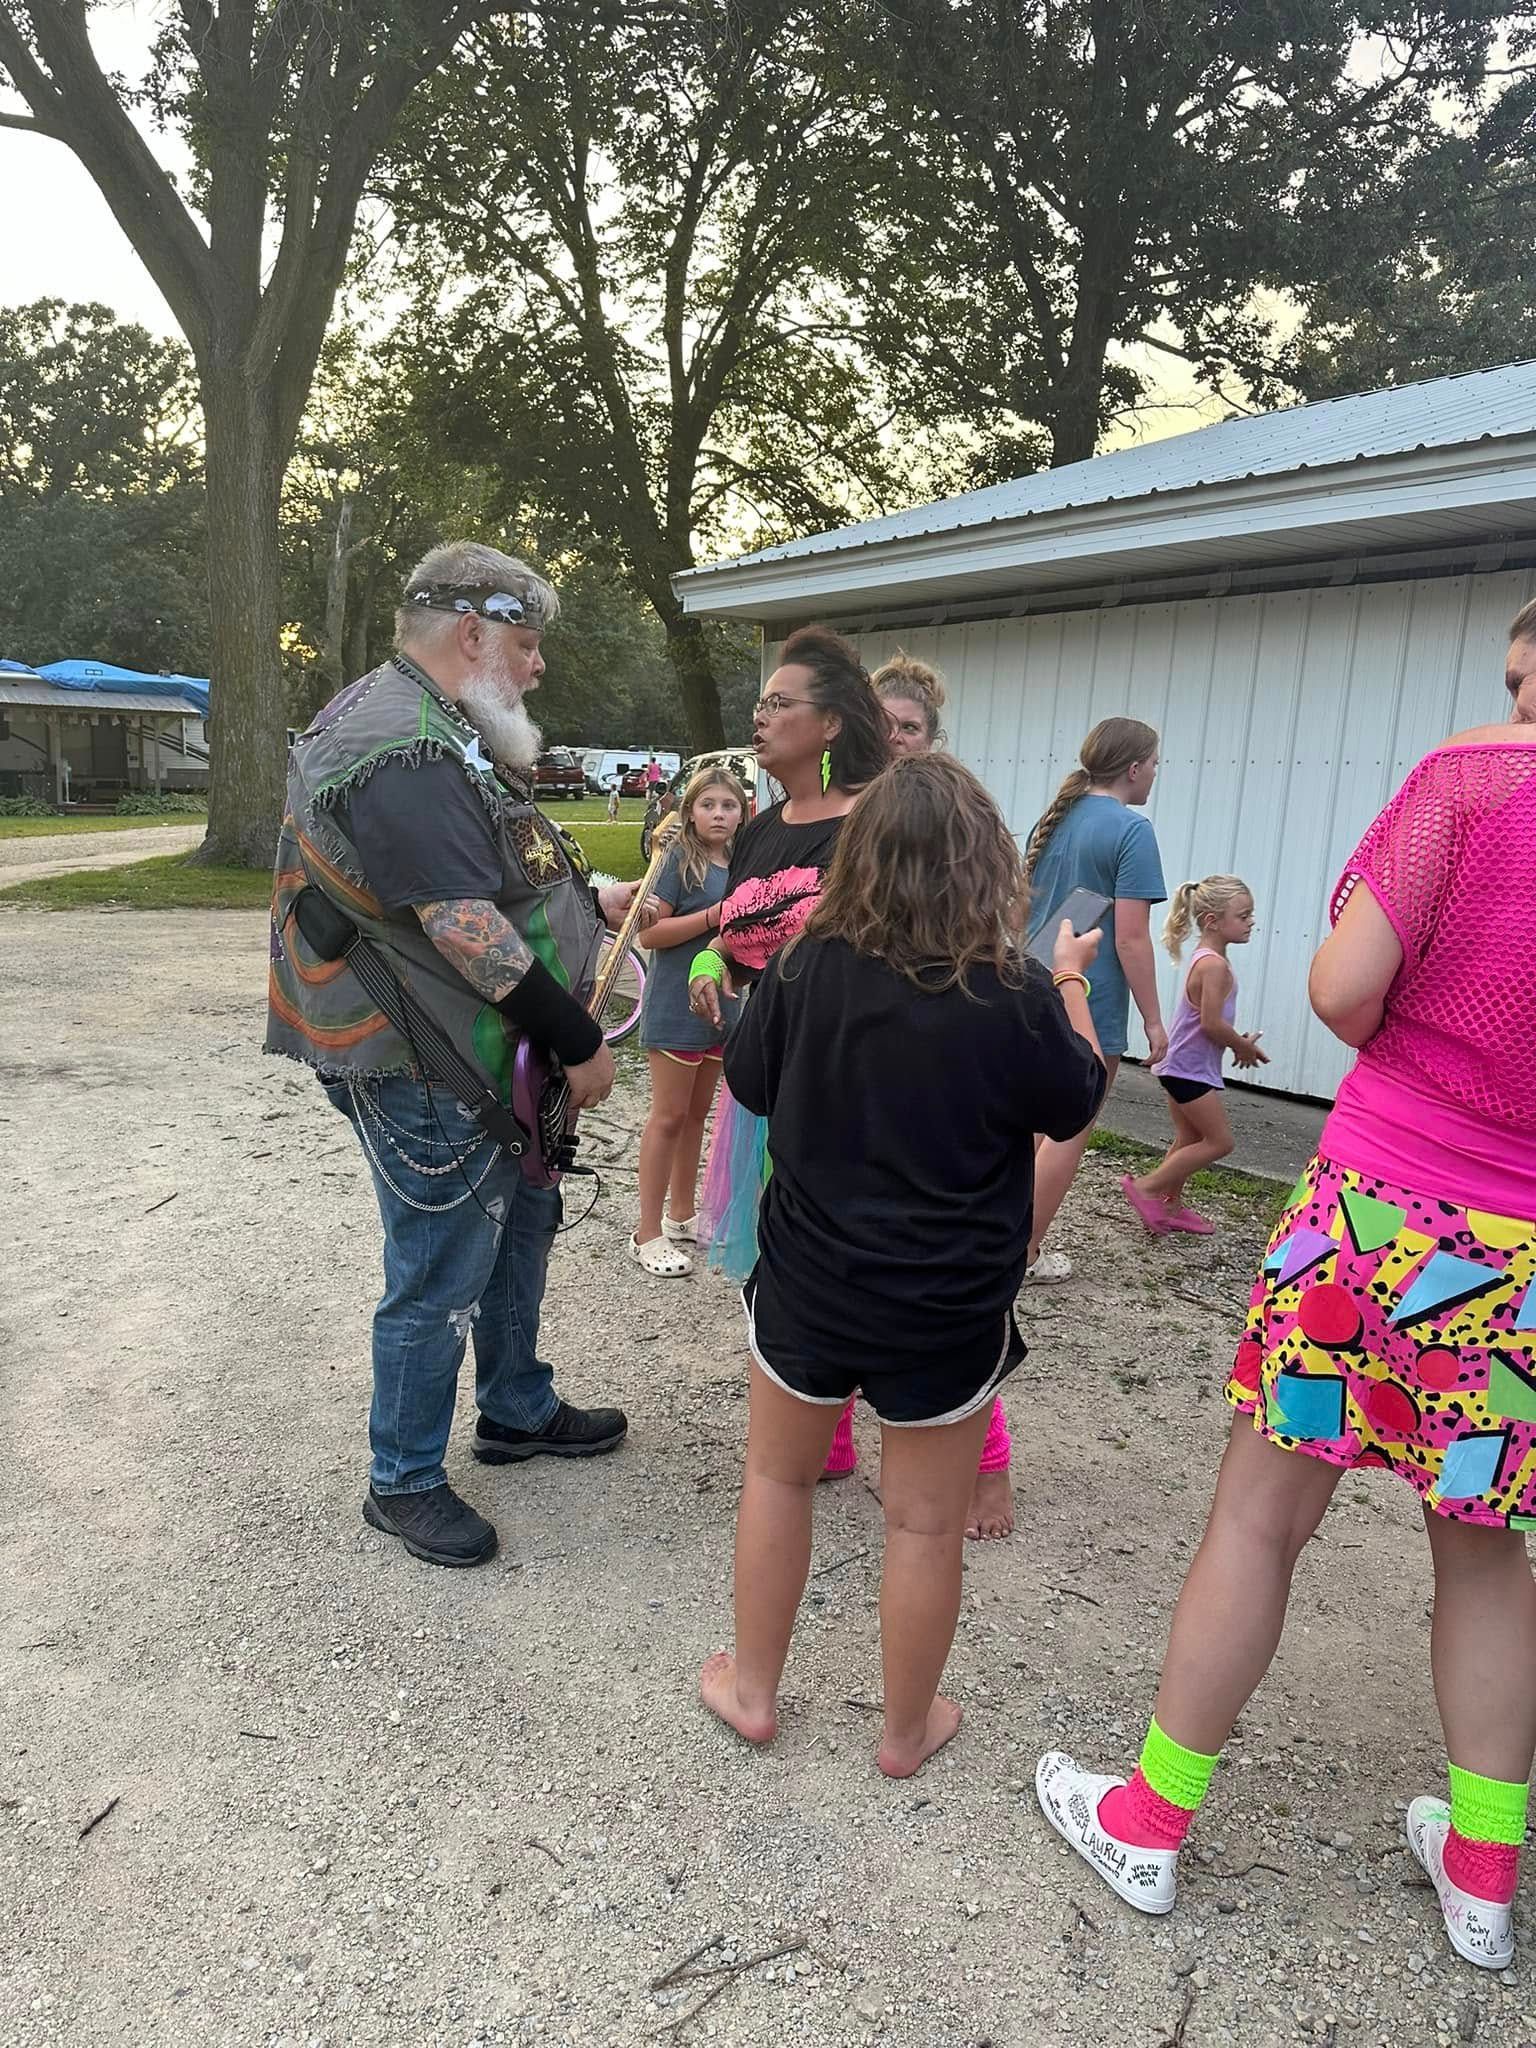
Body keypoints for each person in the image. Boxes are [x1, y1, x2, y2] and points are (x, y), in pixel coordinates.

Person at [1036, 630, 1536, 1972]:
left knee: (1260, 1518)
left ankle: (1149, 1817)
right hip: (1525, 1260)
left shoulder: (1469, 783)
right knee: (1484, 1549)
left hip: (1383, 1206)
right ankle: (1484, 1877)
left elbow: (1341, 989)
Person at [698, 755, 1106, 1776]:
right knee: (924, 1526)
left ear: (861, 856)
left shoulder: (805, 964)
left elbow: (747, 1083)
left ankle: (754, 1688)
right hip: (948, 1303)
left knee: (776, 1477)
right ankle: (903, 1728)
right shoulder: (1012, 990)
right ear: (986, 863)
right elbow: (1077, 1101)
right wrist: (1069, 979)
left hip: (809, 1280)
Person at [266, 542, 652, 1569]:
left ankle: (516, 1406)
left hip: (481, 1048)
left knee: (525, 1213)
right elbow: (457, 920)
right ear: (472, 633)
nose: (536, 668)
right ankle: (402, 1480)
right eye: (525, 645)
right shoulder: (404, 742)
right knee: (440, 1261)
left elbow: (490, 857)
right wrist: (577, 1044)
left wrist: (589, 899)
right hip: (424, 1051)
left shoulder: (438, 724)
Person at [818, 650, 1012, 1538]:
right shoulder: (829, 823)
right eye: (883, 725)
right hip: (842, 1087)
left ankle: (984, 1466)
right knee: (834, 1263)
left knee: (947, 1306)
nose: (895, 740)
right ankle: (825, 1431)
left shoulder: (947, 833)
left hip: (933, 1098)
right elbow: (751, 918)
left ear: (932, 743)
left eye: (911, 728)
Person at [688, 625, 891, 1278]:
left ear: (830, 722)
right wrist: (711, 959)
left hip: (851, 1079)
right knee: (779, 1268)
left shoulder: (877, 822)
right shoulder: (762, 831)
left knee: (841, 1268)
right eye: (761, 703)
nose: (760, 715)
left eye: (780, 703)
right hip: (771, 1068)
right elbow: (742, 933)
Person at [1020, 718, 1167, 1284]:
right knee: (1067, 1131)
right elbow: (1130, 936)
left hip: (1032, 983)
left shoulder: (1056, 818)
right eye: (1154, 763)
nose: (1155, 774)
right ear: (1133, 769)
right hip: (1087, 995)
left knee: (1026, 1124)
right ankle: (1024, 1254)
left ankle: (995, 1235)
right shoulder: (1133, 831)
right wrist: (1154, 1020)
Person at [630, 767, 745, 1276]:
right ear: (690, 812)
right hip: (677, 1008)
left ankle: (681, 1214)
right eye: (708, 805)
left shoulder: (740, 864)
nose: (719, 814)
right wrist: (713, 916)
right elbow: (650, 936)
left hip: (723, 1009)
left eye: (729, 805)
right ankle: (646, 1231)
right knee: (669, 1116)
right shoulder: (679, 861)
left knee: (699, 1113)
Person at [1122, 876, 1268, 1238]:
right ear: (1211, 921)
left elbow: (1208, 1022)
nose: (1251, 922)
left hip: (1181, 1066)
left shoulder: (1207, 959)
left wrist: (1235, 1040)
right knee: (1220, 1142)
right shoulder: (1214, 965)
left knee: (1189, 1138)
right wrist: (1241, 1045)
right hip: (1188, 1070)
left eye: (1250, 915)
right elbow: (1211, 1024)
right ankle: (1147, 1188)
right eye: (1243, 915)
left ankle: (1169, 1205)